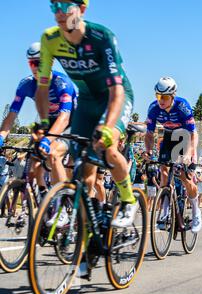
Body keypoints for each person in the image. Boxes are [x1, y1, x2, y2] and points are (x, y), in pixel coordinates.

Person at [35, 0, 138, 231]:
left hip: (115, 96)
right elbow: (42, 88)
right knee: (82, 170)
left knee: (108, 148)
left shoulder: (102, 37)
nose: (59, 13)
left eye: (65, 6)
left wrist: (108, 126)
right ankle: (89, 230)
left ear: (81, 9)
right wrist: (43, 124)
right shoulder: (50, 39)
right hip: (88, 100)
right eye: (54, 7)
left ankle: (128, 200)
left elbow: (117, 91)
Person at [0, 42, 77, 202]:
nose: (36, 67)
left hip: (71, 123)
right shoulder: (26, 84)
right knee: (34, 165)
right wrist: (1, 137)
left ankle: (60, 206)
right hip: (48, 123)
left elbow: (64, 119)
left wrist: (47, 141)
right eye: (32, 63)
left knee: (54, 154)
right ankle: (43, 201)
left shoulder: (62, 83)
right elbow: (11, 116)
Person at [145, 77, 202, 233]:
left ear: (173, 95)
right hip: (169, 136)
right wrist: (149, 151)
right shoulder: (153, 108)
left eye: (164, 97)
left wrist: (191, 154)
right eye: (158, 96)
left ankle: (196, 212)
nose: (161, 100)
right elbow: (149, 134)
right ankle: (164, 211)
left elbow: (193, 134)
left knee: (184, 177)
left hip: (185, 137)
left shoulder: (182, 106)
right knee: (163, 171)